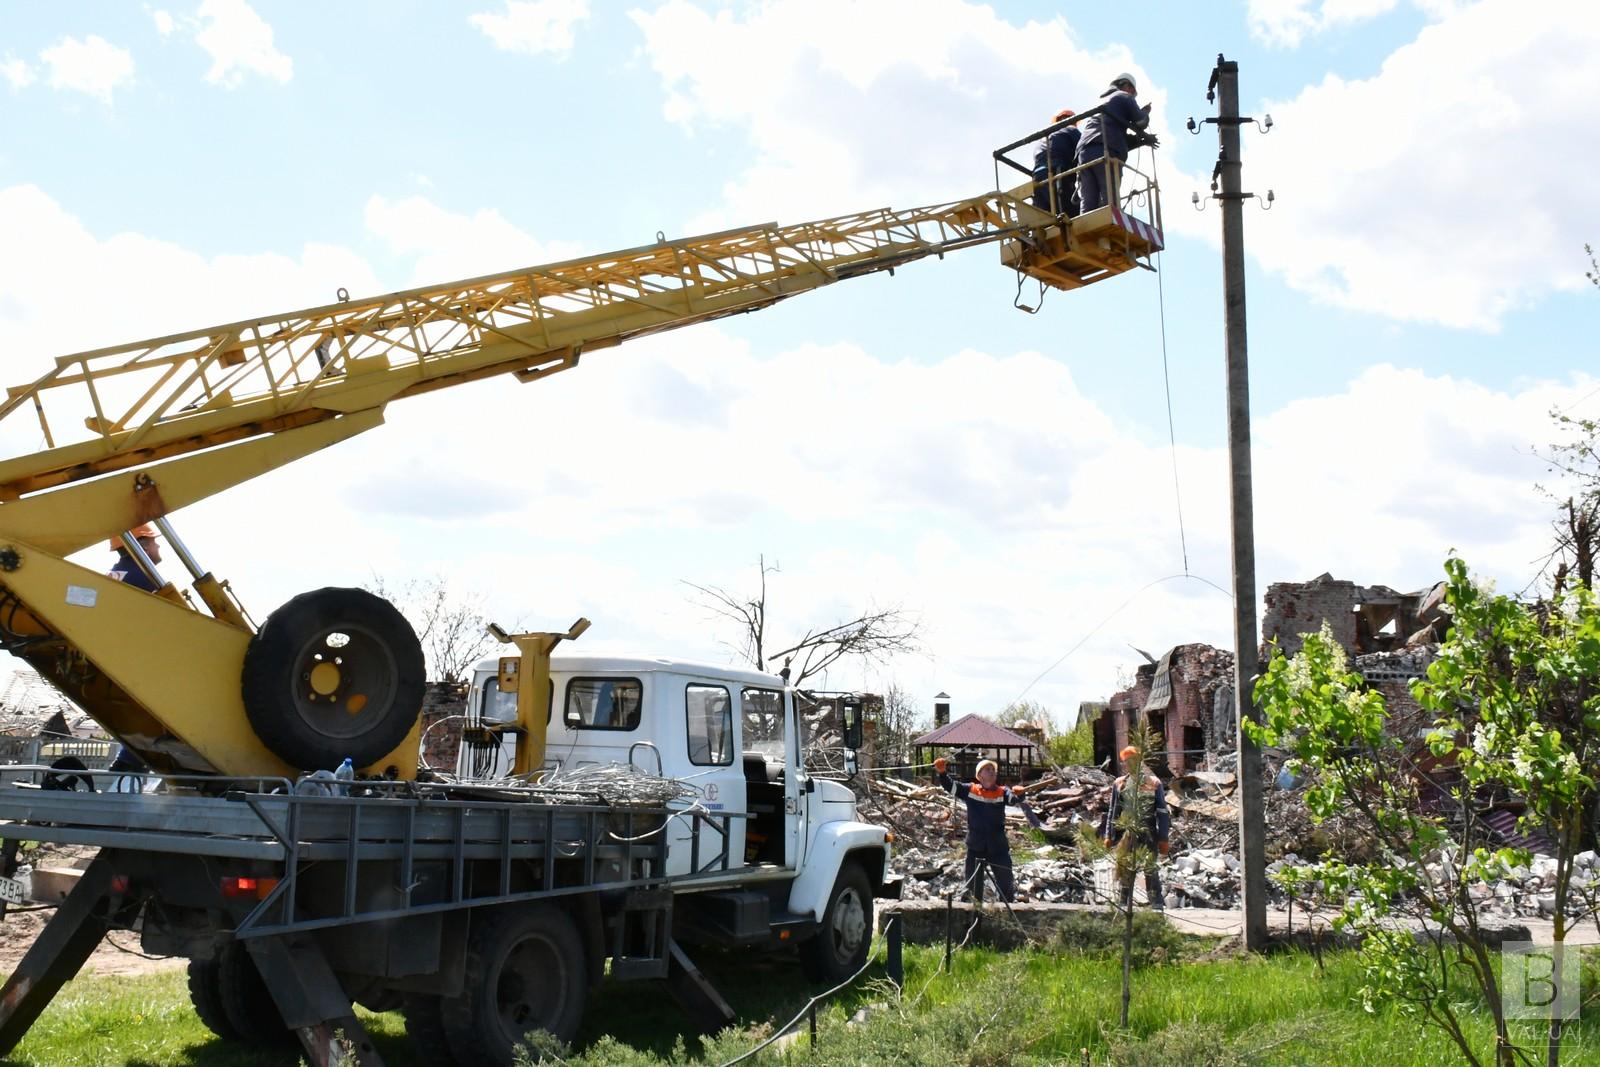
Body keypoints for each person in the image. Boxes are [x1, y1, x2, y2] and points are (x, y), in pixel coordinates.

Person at [934, 756, 1038, 902]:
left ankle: (1006, 913)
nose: (992, 772)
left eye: (993, 770)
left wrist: (1021, 794)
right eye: (987, 769)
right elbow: (950, 786)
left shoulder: (1002, 792)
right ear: (979, 775)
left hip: (998, 847)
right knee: (971, 887)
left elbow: (1013, 799)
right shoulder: (971, 790)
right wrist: (942, 772)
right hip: (976, 846)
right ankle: (971, 913)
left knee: (1006, 885)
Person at [1075, 73, 1159, 213]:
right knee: (1110, 200)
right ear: (1125, 85)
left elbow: (1115, 134)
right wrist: (1145, 112)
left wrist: (1143, 140)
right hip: (1105, 150)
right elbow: (1141, 122)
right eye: (1132, 92)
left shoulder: (1103, 102)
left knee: (1088, 205)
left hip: (1084, 153)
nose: (1132, 96)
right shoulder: (1123, 96)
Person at [1099, 745, 1170, 910]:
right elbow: (1113, 811)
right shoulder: (1120, 784)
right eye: (1126, 761)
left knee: (1150, 867)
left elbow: (1162, 813)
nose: (1129, 764)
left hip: (1148, 831)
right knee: (1124, 867)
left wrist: (1164, 837)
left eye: (1132, 760)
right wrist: (1109, 835)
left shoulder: (1154, 783)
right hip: (1127, 831)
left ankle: (1156, 903)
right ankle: (1124, 903)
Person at [1030, 108, 1081, 217]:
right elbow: (1084, 147)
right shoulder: (1071, 130)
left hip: (1037, 178)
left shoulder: (1044, 138)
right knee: (1070, 213)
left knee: (1045, 217)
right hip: (1057, 173)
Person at [106, 524, 162, 593]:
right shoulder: (144, 576)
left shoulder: (111, 576)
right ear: (145, 547)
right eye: (153, 542)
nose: (158, 546)